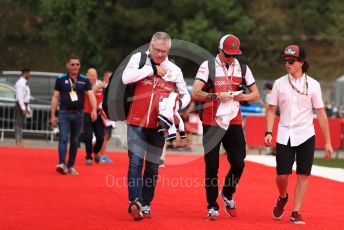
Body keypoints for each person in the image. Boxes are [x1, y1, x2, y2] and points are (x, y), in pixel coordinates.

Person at [122, 32, 190, 221]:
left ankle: (146, 203)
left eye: (164, 51)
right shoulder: (139, 58)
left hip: (160, 125)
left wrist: (176, 105)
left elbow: (186, 95)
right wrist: (151, 69)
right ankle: (135, 201)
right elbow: (125, 78)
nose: (160, 54)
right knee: (135, 163)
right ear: (150, 46)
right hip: (136, 121)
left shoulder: (174, 70)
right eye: (157, 50)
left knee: (152, 168)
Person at [192, 34, 260, 219]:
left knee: (239, 162)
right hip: (211, 120)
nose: (231, 58)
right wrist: (215, 96)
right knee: (212, 165)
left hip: (233, 120)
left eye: (234, 54)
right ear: (219, 50)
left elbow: (255, 94)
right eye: (228, 54)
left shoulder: (242, 67)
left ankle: (228, 192)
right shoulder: (208, 66)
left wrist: (241, 97)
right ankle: (212, 205)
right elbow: (196, 93)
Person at [264, 44, 333, 224]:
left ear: (301, 63)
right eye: (286, 61)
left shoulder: (314, 85)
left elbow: (321, 113)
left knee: (303, 174)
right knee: (282, 175)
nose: (287, 64)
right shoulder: (279, 83)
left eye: (291, 61)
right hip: (284, 132)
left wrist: (327, 142)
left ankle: (295, 211)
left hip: (306, 133)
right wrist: (269, 131)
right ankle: (283, 196)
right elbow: (271, 109)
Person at [50, 55, 97, 175]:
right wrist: (52, 115)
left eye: (77, 64)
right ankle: (62, 163)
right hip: (64, 114)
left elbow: (91, 95)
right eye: (72, 64)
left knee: (75, 141)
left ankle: (70, 166)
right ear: (67, 65)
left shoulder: (84, 79)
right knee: (63, 138)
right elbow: (55, 97)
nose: (75, 67)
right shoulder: (60, 79)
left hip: (79, 114)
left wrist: (94, 110)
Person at [79, 68, 107, 165]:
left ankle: (95, 152)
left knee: (101, 137)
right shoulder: (84, 84)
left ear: (96, 75)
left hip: (99, 114)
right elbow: (88, 93)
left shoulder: (102, 85)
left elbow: (108, 97)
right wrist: (97, 86)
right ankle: (88, 157)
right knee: (88, 136)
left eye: (93, 76)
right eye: (90, 76)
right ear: (86, 75)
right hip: (87, 113)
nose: (91, 78)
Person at [99, 71, 114, 163]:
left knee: (108, 136)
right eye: (109, 77)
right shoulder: (102, 87)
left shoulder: (112, 88)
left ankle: (100, 152)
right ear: (105, 78)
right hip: (103, 115)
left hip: (110, 116)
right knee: (105, 136)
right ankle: (102, 155)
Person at [14, 67, 31, 147]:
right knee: (18, 123)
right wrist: (23, 108)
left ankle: (20, 140)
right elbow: (19, 97)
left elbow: (26, 96)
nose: (30, 74)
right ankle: (17, 141)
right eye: (29, 73)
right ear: (25, 73)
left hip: (24, 104)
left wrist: (28, 108)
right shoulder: (20, 83)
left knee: (21, 123)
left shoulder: (24, 82)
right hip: (20, 104)